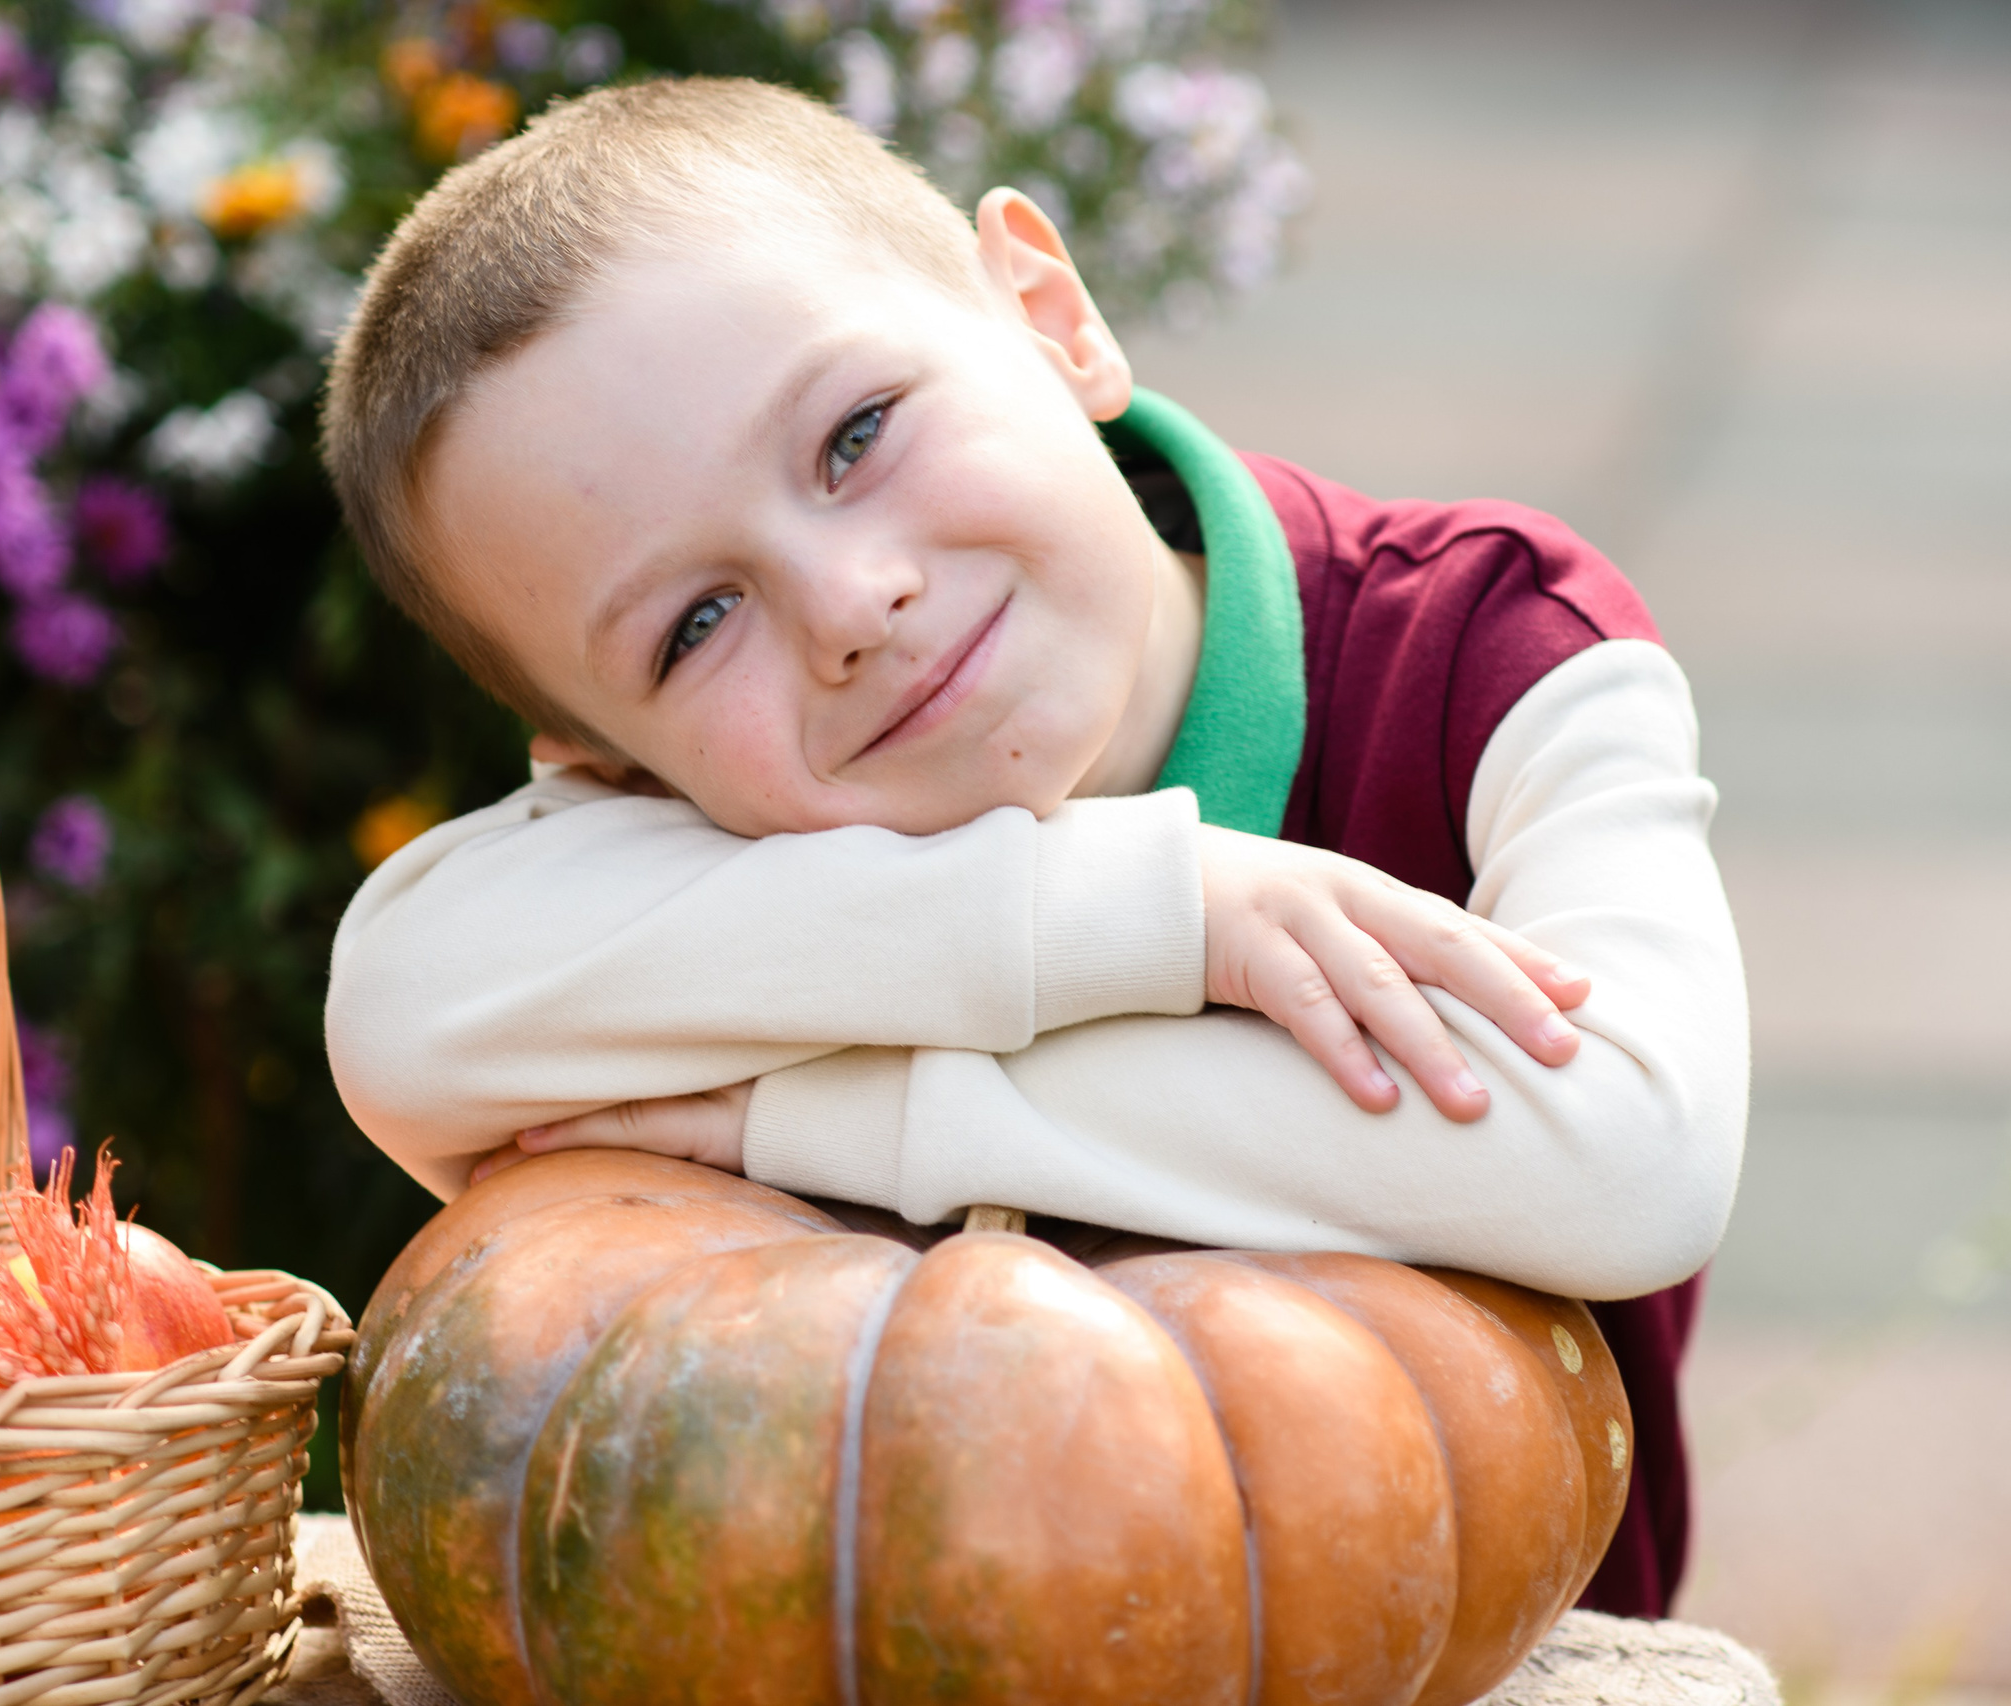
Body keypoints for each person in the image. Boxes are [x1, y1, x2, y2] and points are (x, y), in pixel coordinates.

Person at [316, 76, 1745, 1617]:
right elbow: (396, 1006)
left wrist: (846, 1107)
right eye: (696, 624)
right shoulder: (684, 833)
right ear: (605, 763)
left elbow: (1632, 1151)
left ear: (1053, 316)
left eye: (856, 433)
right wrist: (1143, 914)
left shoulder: (1496, 653)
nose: (850, 604)